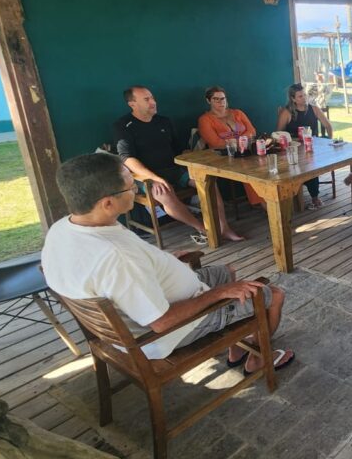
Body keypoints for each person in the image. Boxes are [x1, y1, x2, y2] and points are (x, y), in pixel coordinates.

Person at [42, 153, 295, 373]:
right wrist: (218, 294)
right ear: (107, 203)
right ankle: (258, 359)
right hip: (171, 332)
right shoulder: (116, 258)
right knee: (272, 294)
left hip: (157, 299)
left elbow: (126, 270)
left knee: (226, 271)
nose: (137, 189)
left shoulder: (63, 228)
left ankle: (236, 350)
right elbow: (161, 322)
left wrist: (161, 263)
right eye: (131, 187)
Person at [113, 86, 243, 243]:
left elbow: (180, 151)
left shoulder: (164, 121)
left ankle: (224, 229)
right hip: (146, 176)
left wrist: (193, 159)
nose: (153, 102)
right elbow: (127, 159)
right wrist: (154, 178)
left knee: (207, 182)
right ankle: (204, 229)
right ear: (132, 103)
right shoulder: (123, 125)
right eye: (147, 99)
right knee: (164, 191)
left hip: (174, 169)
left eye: (152, 98)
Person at [196, 85, 263, 208]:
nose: (221, 102)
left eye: (223, 98)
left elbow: (252, 130)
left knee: (265, 162)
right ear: (208, 101)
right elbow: (215, 142)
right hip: (224, 155)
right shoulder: (205, 119)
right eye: (216, 99)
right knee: (249, 168)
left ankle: (272, 198)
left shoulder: (237, 113)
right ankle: (264, 204)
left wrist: (237, 141)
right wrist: (240, 141)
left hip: (246, 150)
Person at [277, 83, 334, 209]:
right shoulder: (286, 113)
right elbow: (279, 134)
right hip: (293, 149)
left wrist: (329, 141)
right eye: (300, 96)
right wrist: (291, 141)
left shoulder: (314, 109)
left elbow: (328, 125)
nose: (304, 98)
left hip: (312, 146)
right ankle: (302, 195)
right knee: (304, 164)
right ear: (293, 99)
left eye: (304, 95)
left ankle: (314, 196)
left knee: (310, 163)